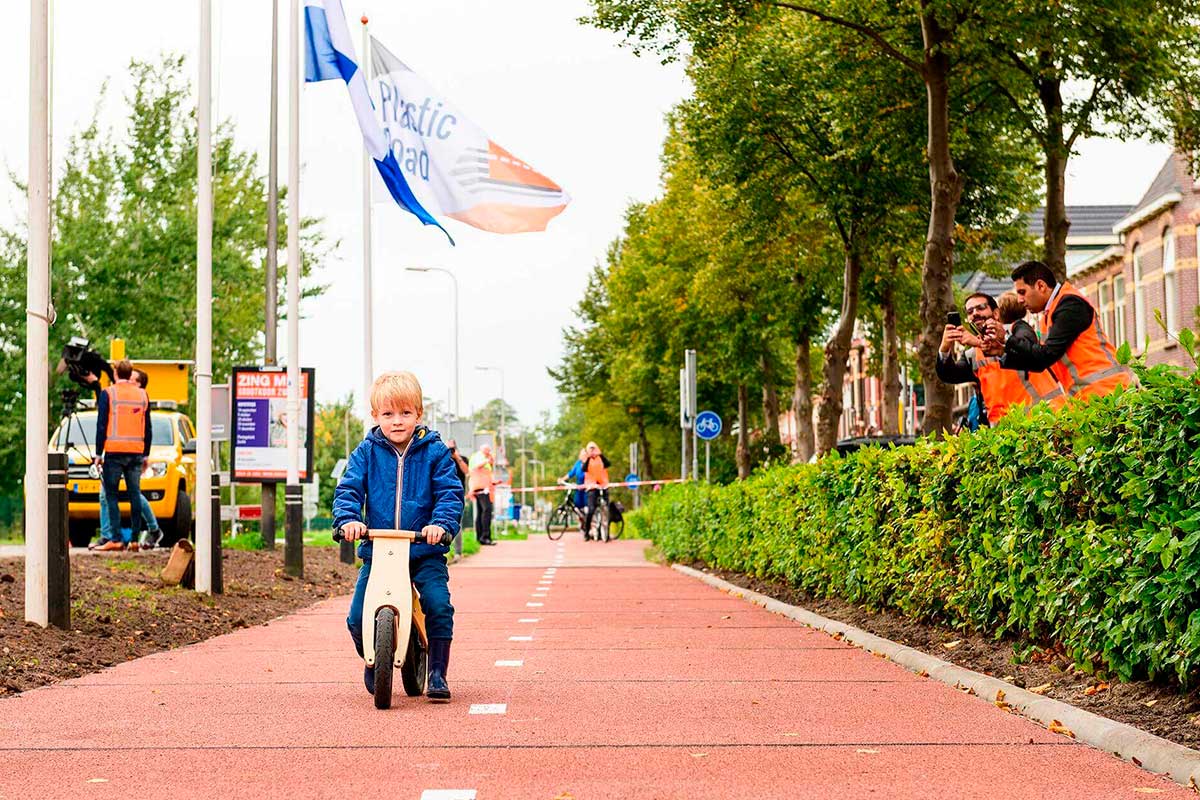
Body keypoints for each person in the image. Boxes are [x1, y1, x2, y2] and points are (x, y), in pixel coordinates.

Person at [332, 371, 464, 702]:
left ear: (419, 414)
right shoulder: (367, 452)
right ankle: (373, 656)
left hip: (423, 550)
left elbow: (450, 493)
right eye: (388, 414)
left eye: (405, 413)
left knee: (438, 603)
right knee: (356, 616)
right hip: (379, 551)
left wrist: (440, 525)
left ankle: (436, 671)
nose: (397, 422)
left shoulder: (434, 452)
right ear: (375, 416)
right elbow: (348, 488)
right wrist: (349, 519)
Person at [982, 260, 1133, 400]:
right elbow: (1040, 362)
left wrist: (1007, 339)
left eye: (1022, 292)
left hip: (1107, 392)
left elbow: (1046, 355)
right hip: (1093, 395)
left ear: (1041, 286)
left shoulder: (1070, 304)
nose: (1020, 300)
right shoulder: (1050, 314)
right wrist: (1002, 350)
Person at [938, 292, 1062, 426]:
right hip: (1006, 434)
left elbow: (1025, 347)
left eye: (980, 308)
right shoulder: (972, 355)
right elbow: (949, 374)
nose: (975, 313)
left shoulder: (1017, 330)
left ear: (996, 313)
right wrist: (944, 348)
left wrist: (980, 342)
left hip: (1045, 421)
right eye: (970, 311)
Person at [91, 368, 164, 550]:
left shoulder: (112, 393)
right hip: (135, 452)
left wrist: (98, 454)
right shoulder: (141, 396)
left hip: (114, 452)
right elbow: (147, 428)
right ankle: (129, 538)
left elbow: (102, 424)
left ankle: (114, 538)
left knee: (112, 495)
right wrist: (145, 453)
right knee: (132, 495)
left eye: (135, 379)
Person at [468, 445, 497, 545]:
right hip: (481, 488)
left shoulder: (480, 457)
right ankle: (485, 537)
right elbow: (477, 468)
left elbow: (486, 472)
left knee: (481, 512)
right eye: (488, 450)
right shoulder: (479, 456)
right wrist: (487, 460)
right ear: (483, 450)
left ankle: (480, 537)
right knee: (487, 510)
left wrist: (493, 482)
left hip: (481, 487)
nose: (489, 452)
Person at [580, 441, 610, 541]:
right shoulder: (587, 460)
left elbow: (608, 464)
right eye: (590, 449)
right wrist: (589, 457)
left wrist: (600, 454)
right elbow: (584, 469)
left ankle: (606, 533)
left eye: (594, 448)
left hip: (603, 485)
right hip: (591, 487)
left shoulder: (600, 458)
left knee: (607, 508)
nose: (593, 451)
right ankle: (587, 532)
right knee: (591, 510)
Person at [560, 448, 588, 530]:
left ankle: (591, 525)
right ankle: (582, 521)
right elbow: (571, 473)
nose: (581, 456)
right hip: (578, 489)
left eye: (583, 454)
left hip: (587, 489)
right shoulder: (578, 464)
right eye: (581, 454)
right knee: (577, 506)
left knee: (587, 507)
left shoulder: (589, 463)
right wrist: (562, 479)